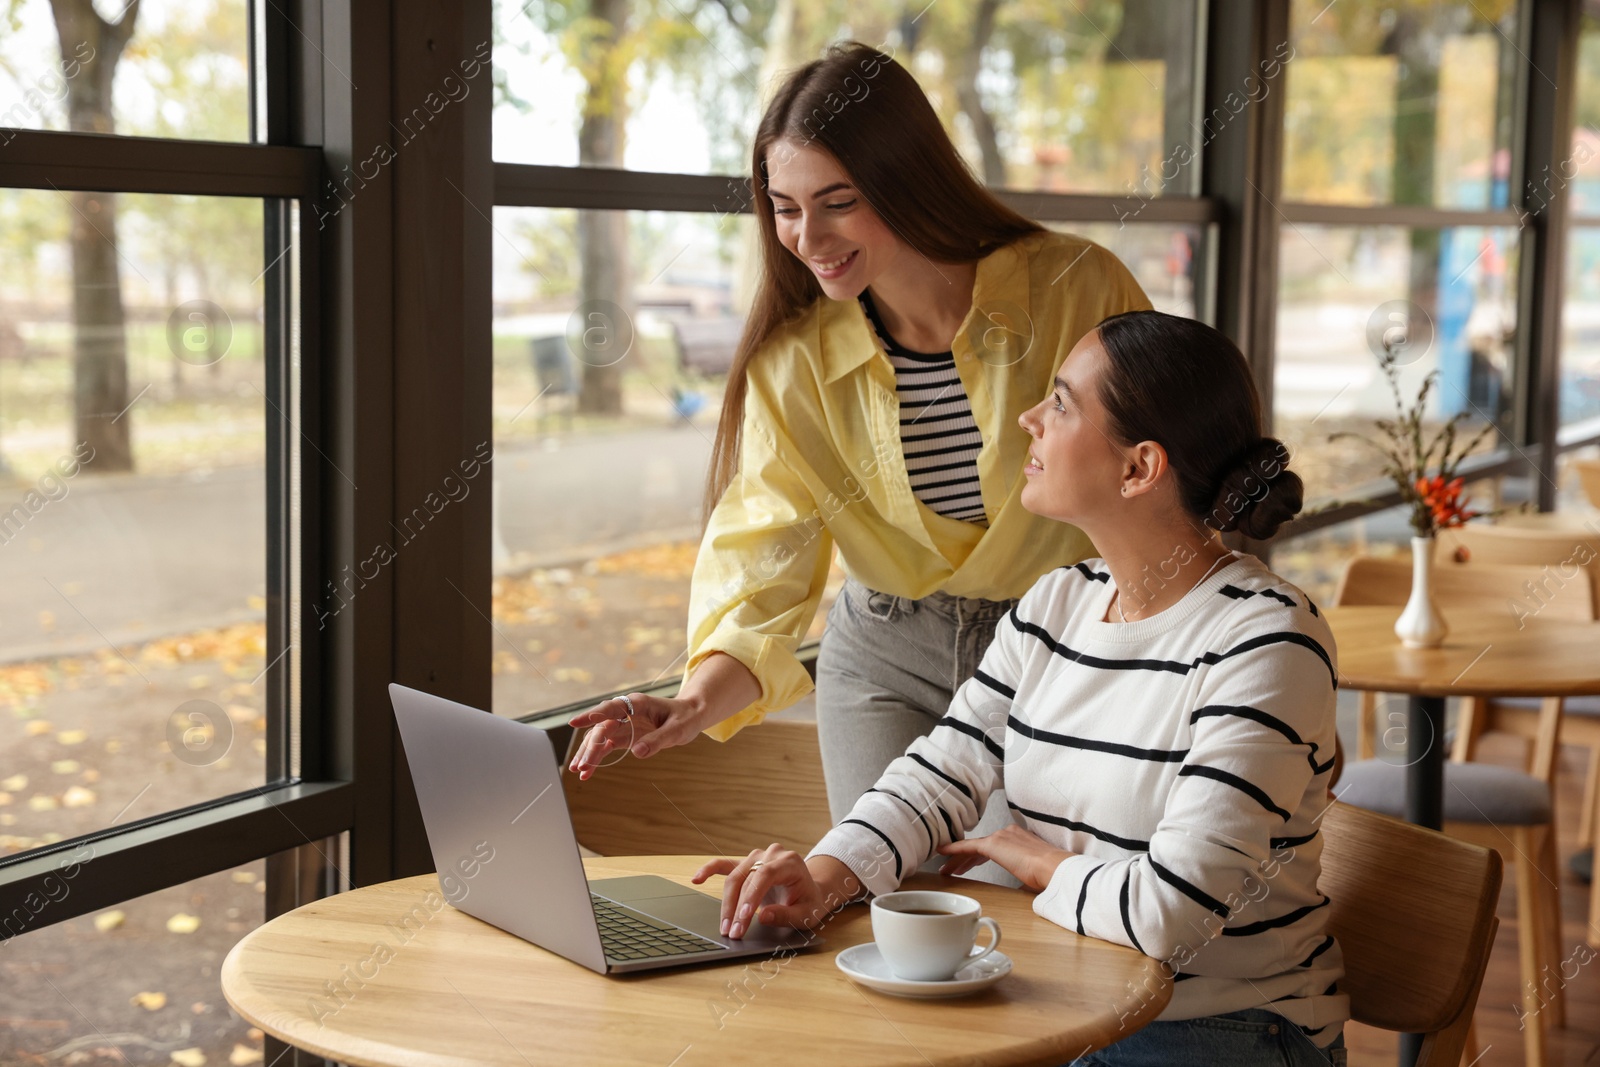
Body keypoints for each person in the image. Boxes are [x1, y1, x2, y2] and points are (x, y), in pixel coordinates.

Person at [690, 310, 1350, 1066]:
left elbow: (1175, 917)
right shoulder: (1057, 603)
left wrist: (1041, 866)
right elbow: (939, 773)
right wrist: (822, 877)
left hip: (1217, 1027)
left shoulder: (1268, 641)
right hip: (1064, 997)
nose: (1030, 418)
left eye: (1063, 403)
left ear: (1139, 468)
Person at [565, 40, 1153, 887]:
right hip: (883, 653)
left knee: (1027, 917)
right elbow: (762, 559)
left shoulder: (1076, 288)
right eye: (785, 207)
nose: (809, 237)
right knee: (893, 908)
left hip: (1058, 644)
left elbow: (1155, 477)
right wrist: (692, 702)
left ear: (907, 179)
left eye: (838, 202)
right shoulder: (792, 364)